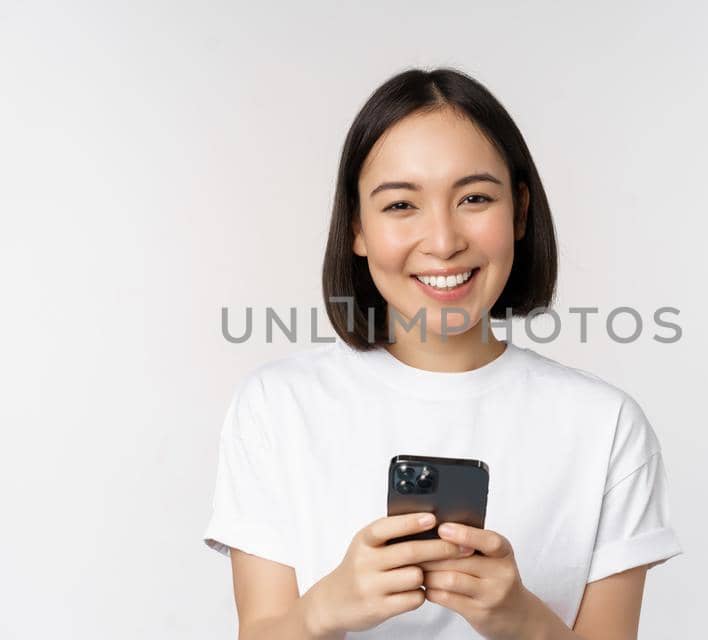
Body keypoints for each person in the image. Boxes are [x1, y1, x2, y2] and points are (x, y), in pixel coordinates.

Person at [203, 67, 682, 639]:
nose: (444, 240)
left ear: (520, 212)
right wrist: (324, 610)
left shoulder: (606, 427)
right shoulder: (277, 407)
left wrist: (522, 621)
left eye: (474, 198)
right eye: (402, 205)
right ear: (357, 228)